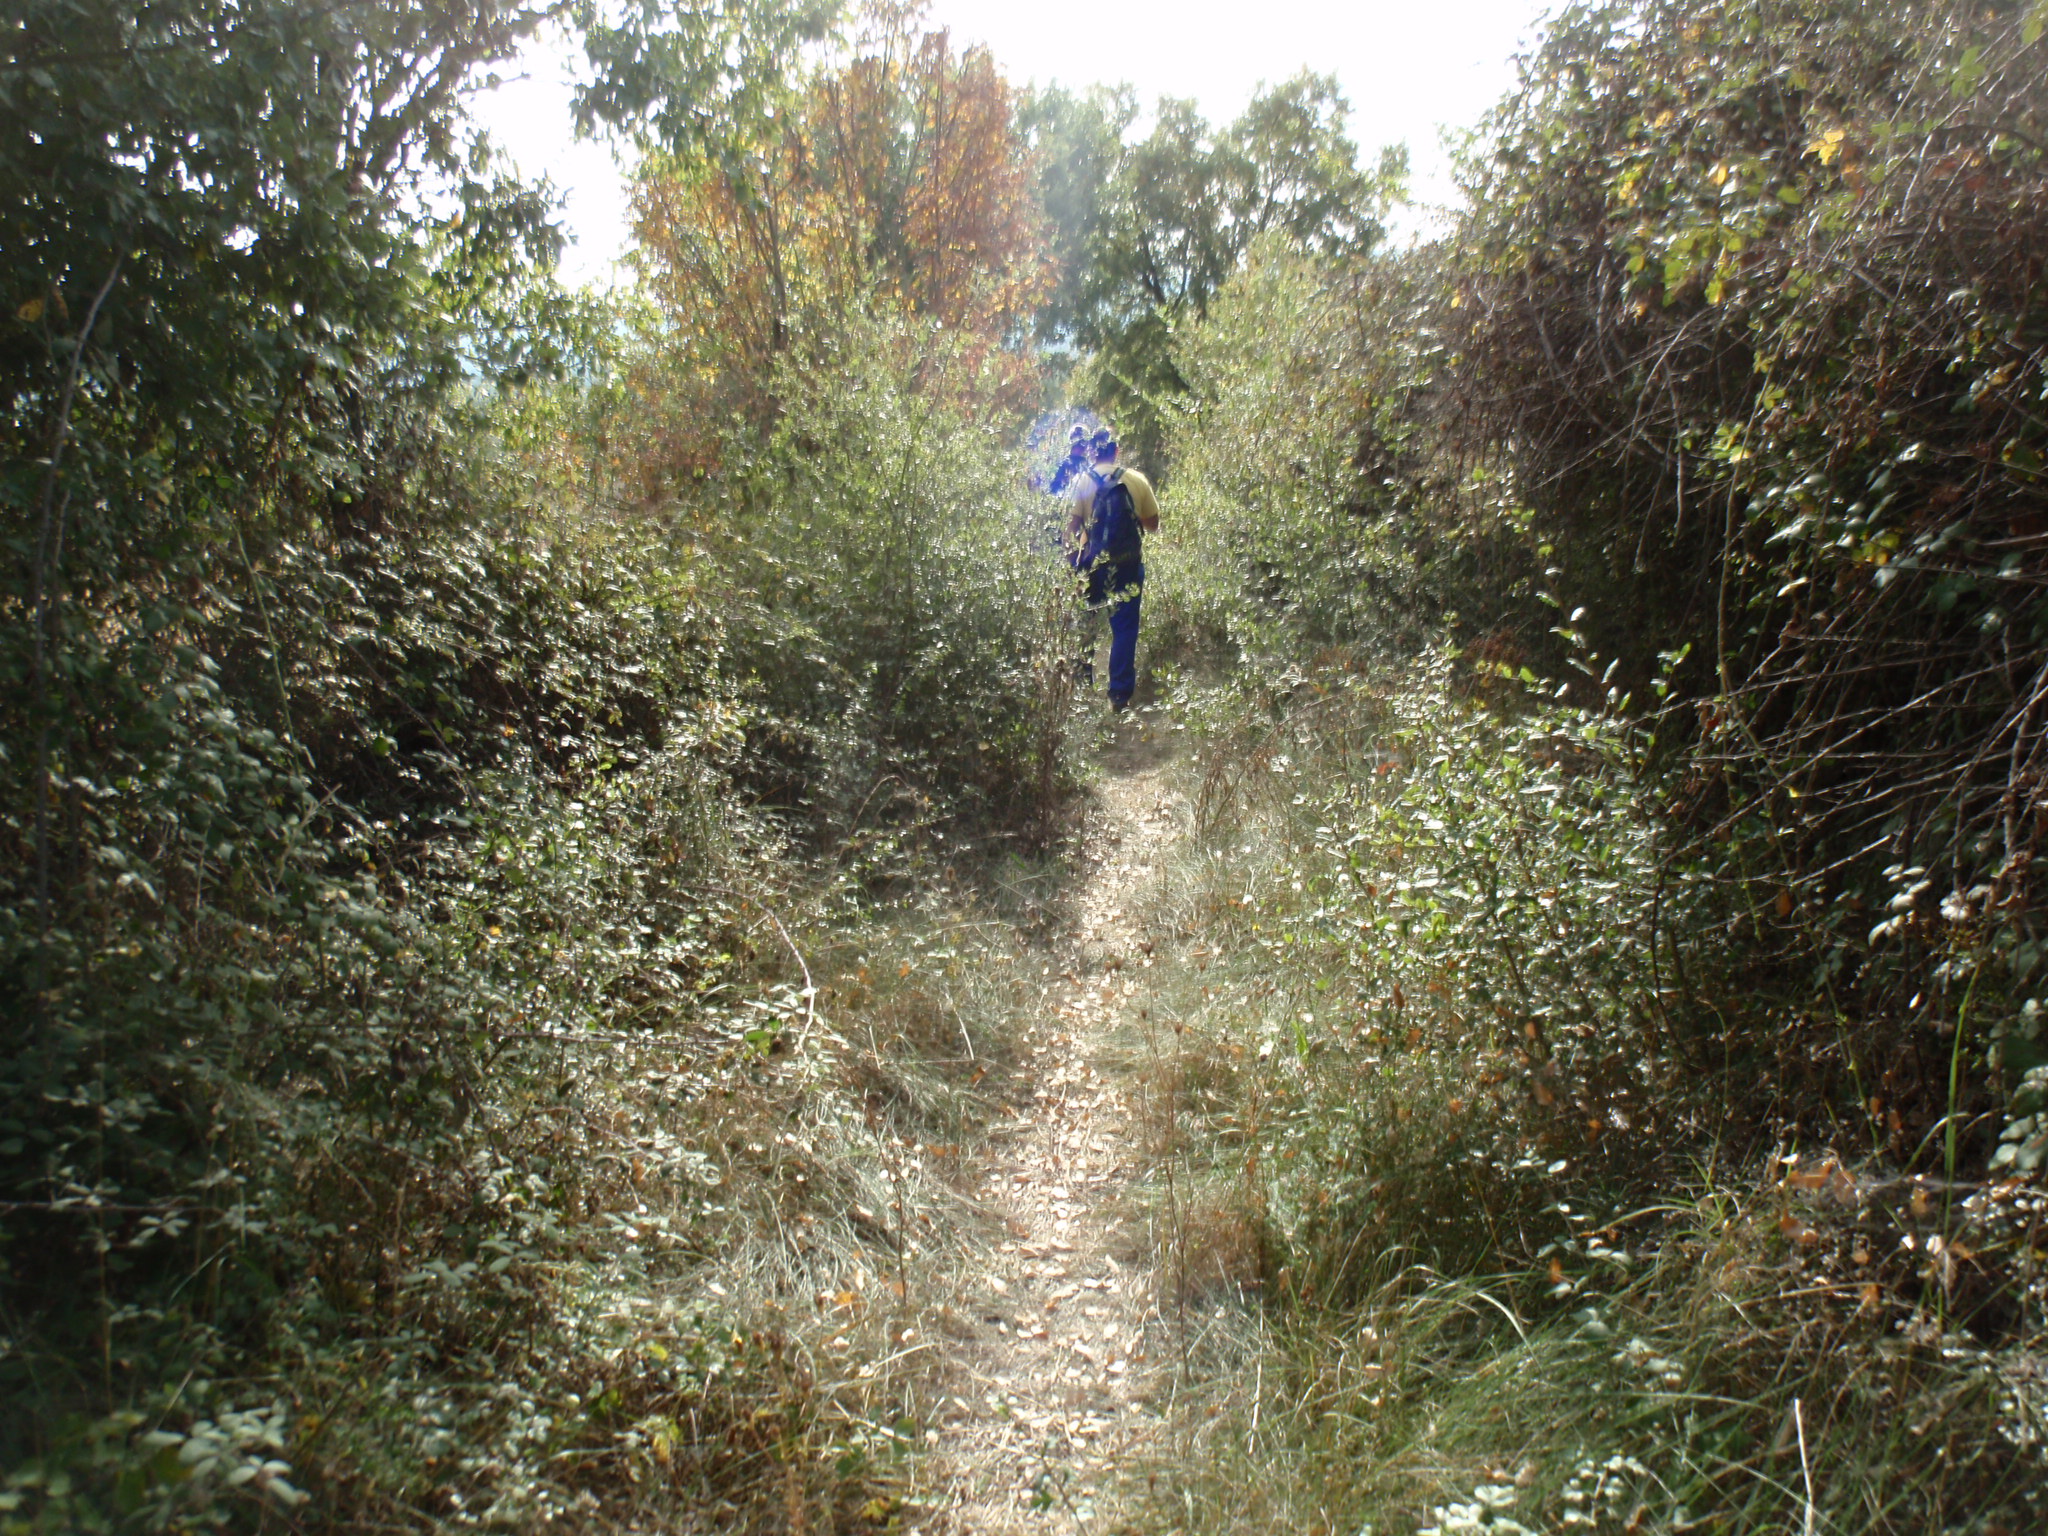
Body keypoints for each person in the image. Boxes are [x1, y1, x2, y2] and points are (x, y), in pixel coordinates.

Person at [1068, 431, 1160, 711]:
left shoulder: (1082, 481)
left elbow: (1070, 530)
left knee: (1086, 626)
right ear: (1116, 450)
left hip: (1093, 566)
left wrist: (1073, 561)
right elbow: (1153, 524)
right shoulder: (1136, 480)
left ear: (1092, 452)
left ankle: (1083, 689)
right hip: (1128, 564)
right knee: (1125, 629)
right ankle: (1119, 696)